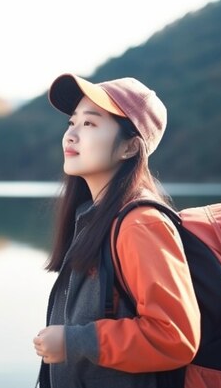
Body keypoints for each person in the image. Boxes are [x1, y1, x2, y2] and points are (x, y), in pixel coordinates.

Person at [33, 73, 200, 388]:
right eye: (72, 123)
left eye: (90, 124)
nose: (71, 135)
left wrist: (74, 342)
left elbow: (175, 336)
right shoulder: (95, 218)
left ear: (129, 148)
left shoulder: (141, 224)